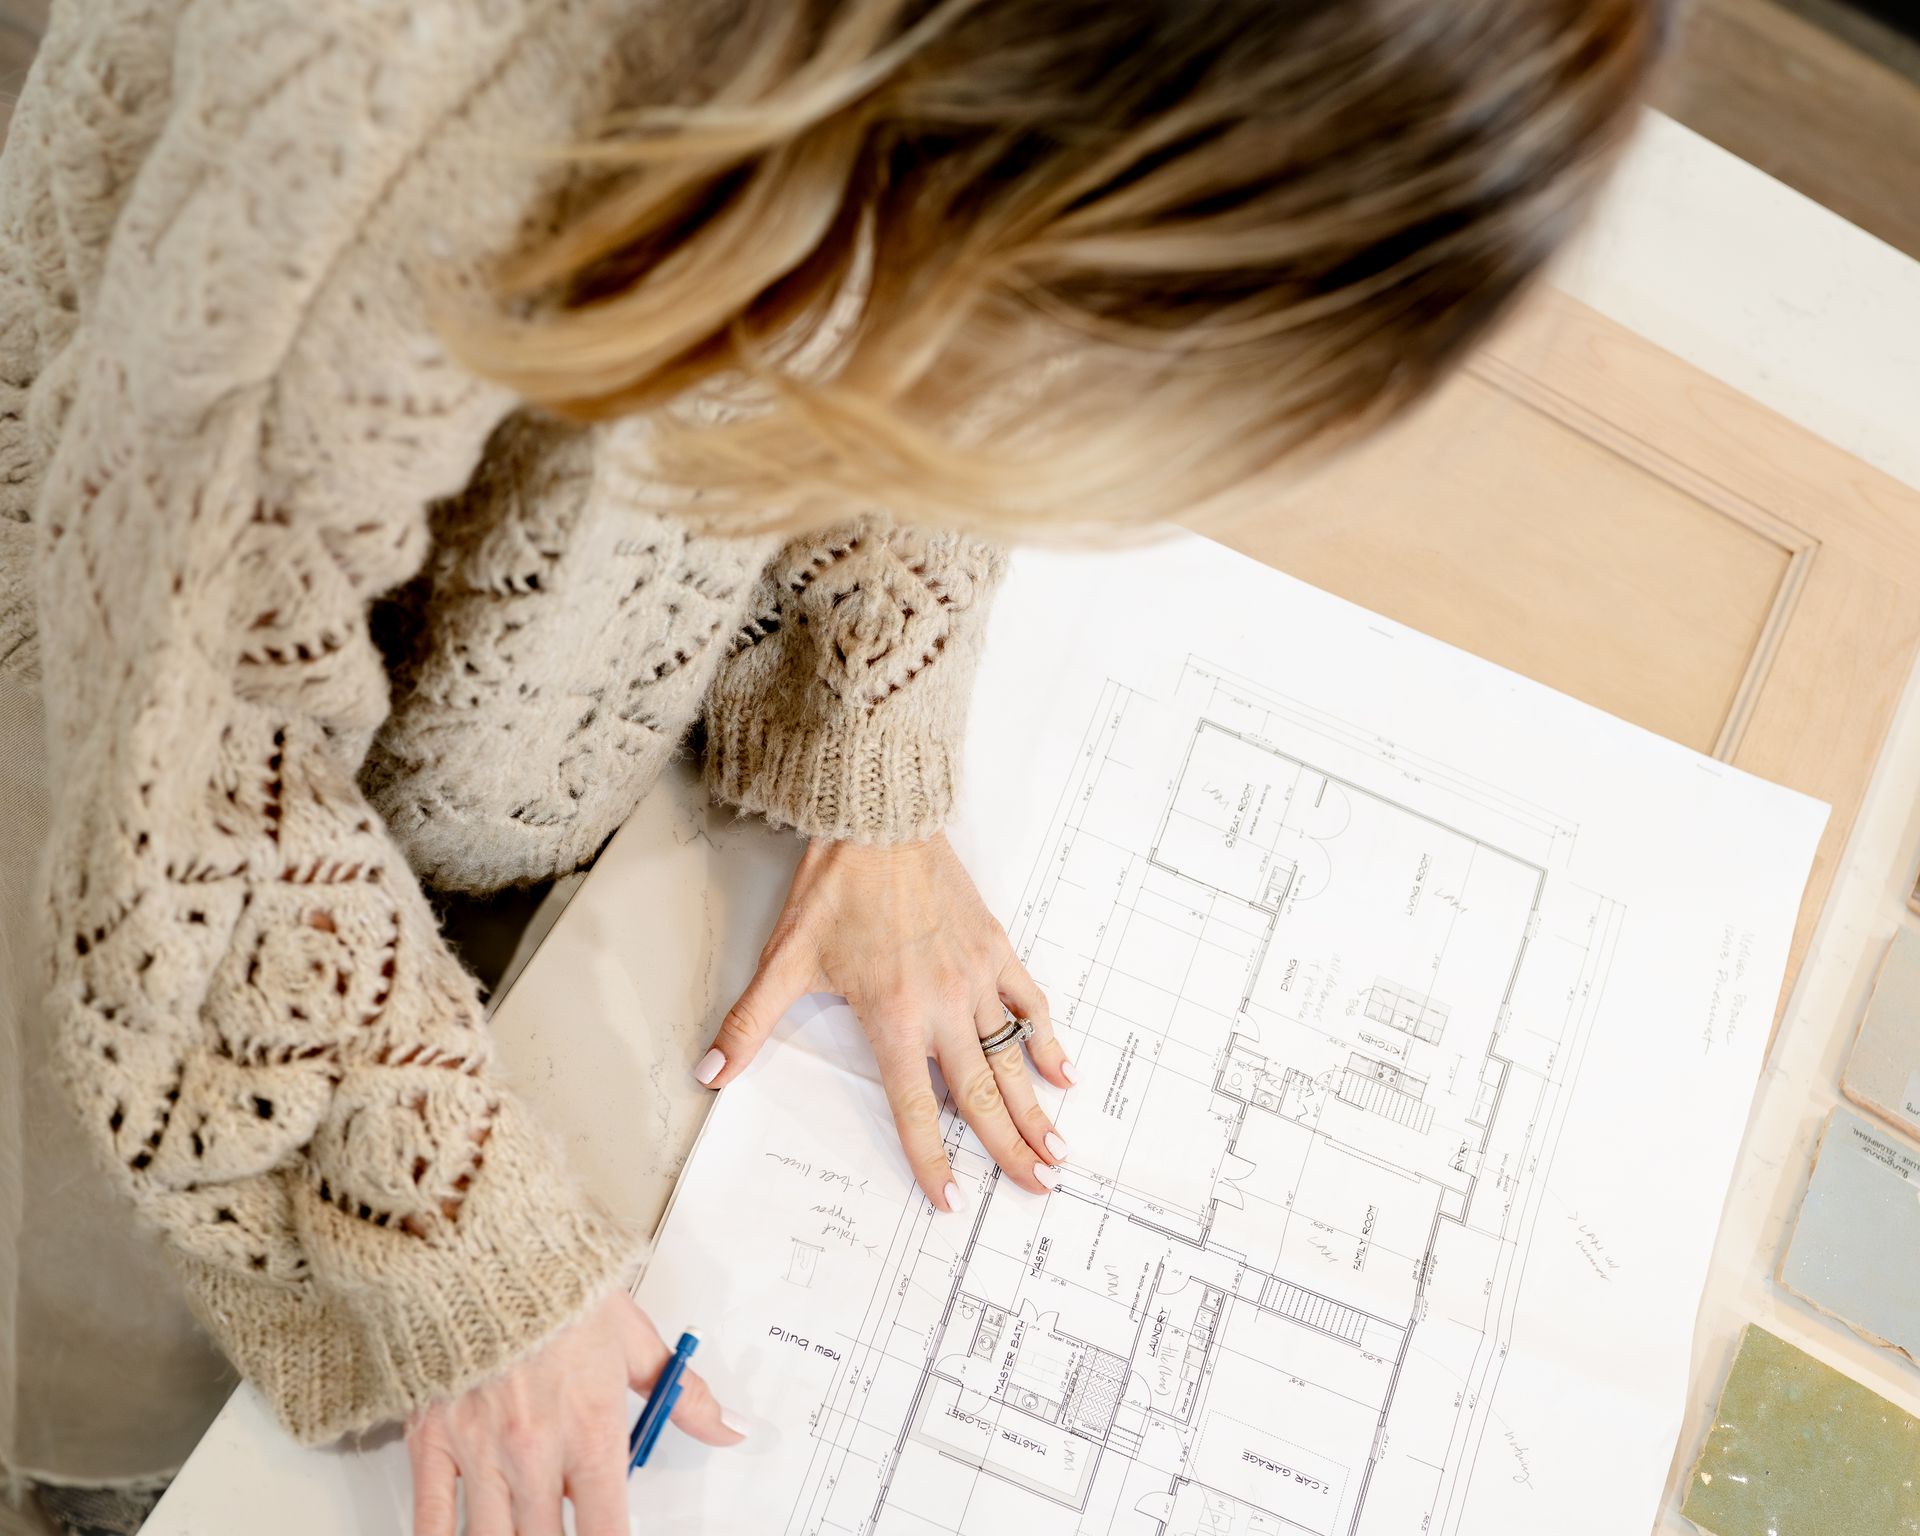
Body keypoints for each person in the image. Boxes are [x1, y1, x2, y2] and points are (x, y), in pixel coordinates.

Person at [0, 0, 1664, 1532]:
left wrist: (873, 747)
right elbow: (187, 769)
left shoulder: (943, 100)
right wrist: (465, 1253)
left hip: (502, 720)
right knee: (150, 1396)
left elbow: (959, 312)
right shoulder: (408, 99)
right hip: (115, 712)